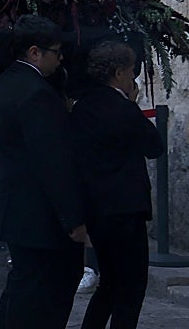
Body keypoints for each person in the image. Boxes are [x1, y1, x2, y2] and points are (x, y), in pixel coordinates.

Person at [0, 15, 86, 329]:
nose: (61, 58)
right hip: (37, 213)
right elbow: (52, 162)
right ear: (34, 52)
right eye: (56, 51)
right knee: (44, 292)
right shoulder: (36, 93)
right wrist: (74, 219)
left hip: (11, 205)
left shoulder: (0, 85)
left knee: (22, 286)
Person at [71, 41, 163, 329]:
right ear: (119, 73)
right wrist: (131, 105)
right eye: (131, 70)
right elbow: (154, 146)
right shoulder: (122, 109)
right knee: (131, 287)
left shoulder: (83, 107)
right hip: (125, 208)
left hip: (97, 209)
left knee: (109, 284)